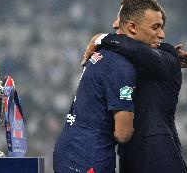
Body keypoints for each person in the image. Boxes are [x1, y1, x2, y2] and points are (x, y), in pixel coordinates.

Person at [84, 0, 187, 173]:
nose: (162, 34)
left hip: (158, 156)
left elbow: (138, 51)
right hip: (129, 157)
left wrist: (101, 38)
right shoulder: (124, 58)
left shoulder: (167, 54)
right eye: (156, 27)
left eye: (160, 27)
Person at [53, 20, 138, 172]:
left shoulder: (102, 52)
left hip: (72, 147)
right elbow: (123, 134)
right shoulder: (121, 66)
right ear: (133, 28)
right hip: (89, 155)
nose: (160, 34)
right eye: (155, 27)